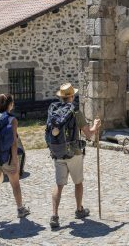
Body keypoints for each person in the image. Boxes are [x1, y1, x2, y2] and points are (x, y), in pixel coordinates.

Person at [48, 83, 100, 229]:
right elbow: (89, 135)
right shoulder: (75, 112)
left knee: (59, 185)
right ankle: (79, 210)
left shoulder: (54, 111)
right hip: (74, 153)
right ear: (71, 96)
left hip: (57, 152)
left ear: (61, 97)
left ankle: (54, 216)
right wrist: (95, 126)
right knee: (78, 182)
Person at [0, 93, 31, 230]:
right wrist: (15, 160)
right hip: (7, 156)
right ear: (10, 104)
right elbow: (14, 142)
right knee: (15, 183)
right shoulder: (12, 120)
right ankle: (20, 209)